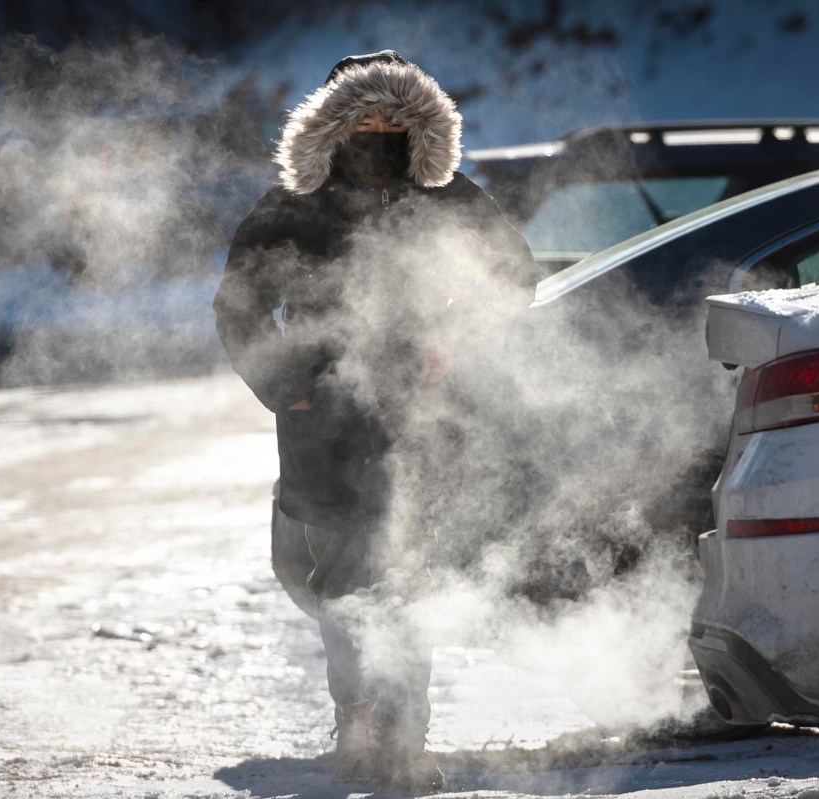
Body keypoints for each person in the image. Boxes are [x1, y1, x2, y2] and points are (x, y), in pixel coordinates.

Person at [213, 50, 537, 793]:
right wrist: (287, 381)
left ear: (420, 122)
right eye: (364, 116)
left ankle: (403, 736)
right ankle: (356, 722)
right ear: (332, 122)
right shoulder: (294, 202)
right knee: (340, 576)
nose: (379, 128)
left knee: (406, 573)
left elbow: (513, 275)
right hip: (320, 420)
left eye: (395, 116)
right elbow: (238, 301)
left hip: (420, 421)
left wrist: (453, 341)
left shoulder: (448, 196)